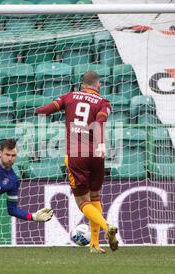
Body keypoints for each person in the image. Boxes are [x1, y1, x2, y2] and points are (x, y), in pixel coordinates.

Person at [35, 71, 118, 254]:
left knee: (82, 201)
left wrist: (37, 110)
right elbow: (101, 121)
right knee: (95, 196)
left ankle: (106, 226)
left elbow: (46, 110)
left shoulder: (69, 96)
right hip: (97, 155)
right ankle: (94, 245)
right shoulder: (104, 102)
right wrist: (102, 143)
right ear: (99, 85)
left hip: (76, 155)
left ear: (82, 85)